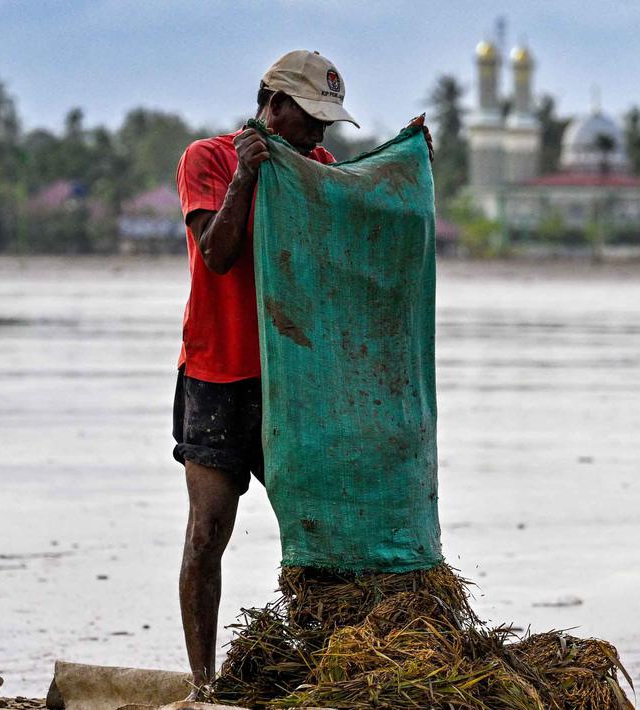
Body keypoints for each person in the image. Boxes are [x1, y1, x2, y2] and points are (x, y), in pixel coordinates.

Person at [172, 49, 432, 691]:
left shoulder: (318, 169)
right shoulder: (209, 159)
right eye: (309, 116)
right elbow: (217, 255)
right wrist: (246, 177)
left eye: (325, 121)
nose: (318, 132)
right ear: (275, 103)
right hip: (219, 373)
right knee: (208, 529)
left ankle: (331, 665)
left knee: (324, 527)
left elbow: (362, 233)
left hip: (300, 380)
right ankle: (204, 685)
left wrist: (405, 167)